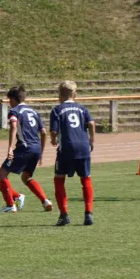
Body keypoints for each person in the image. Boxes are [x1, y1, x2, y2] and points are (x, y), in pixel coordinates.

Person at [0, 85, 53, 213]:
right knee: (26, 177)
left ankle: (10, 205)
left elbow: (13, 125)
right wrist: (41, 154)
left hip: (24, 147)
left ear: (13, 99)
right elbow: (44, 133)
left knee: (2, 174)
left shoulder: (15, 111)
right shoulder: (33, 112)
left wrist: (10, 147)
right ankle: (45, 201)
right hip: (36, 148)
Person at [50, 80, 96, 226]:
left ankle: (64, 214)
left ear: (59, 95)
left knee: (59, 179)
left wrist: (53, 139)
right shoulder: (83, 109)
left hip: (67, 149)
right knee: (85, 178)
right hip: (83, 147)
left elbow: (54, 130)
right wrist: (92, 141)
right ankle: (88, 213)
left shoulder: (57, 110)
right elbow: (91, 124)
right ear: (75, 94)